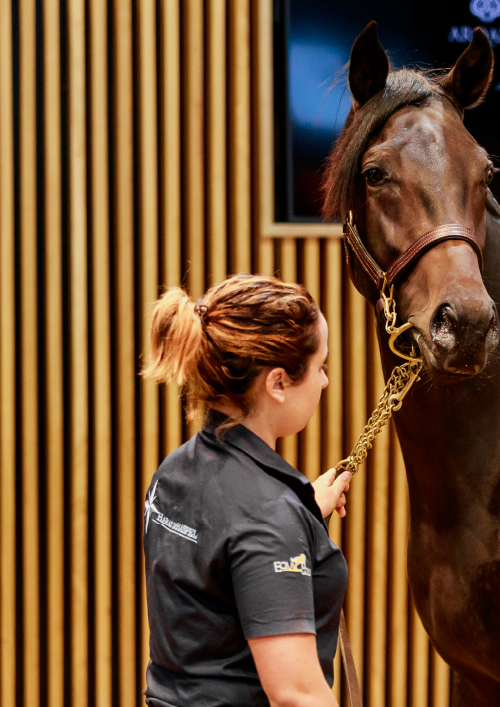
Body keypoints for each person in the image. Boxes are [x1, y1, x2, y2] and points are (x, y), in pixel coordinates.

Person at [142, 274, 352, 707]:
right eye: (320, 367)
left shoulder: (174, 472)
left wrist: (304, 512)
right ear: (277, 383)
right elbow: (297, 695)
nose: (325, 383)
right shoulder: (268, 518)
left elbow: (222, 554)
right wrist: (285, 522)